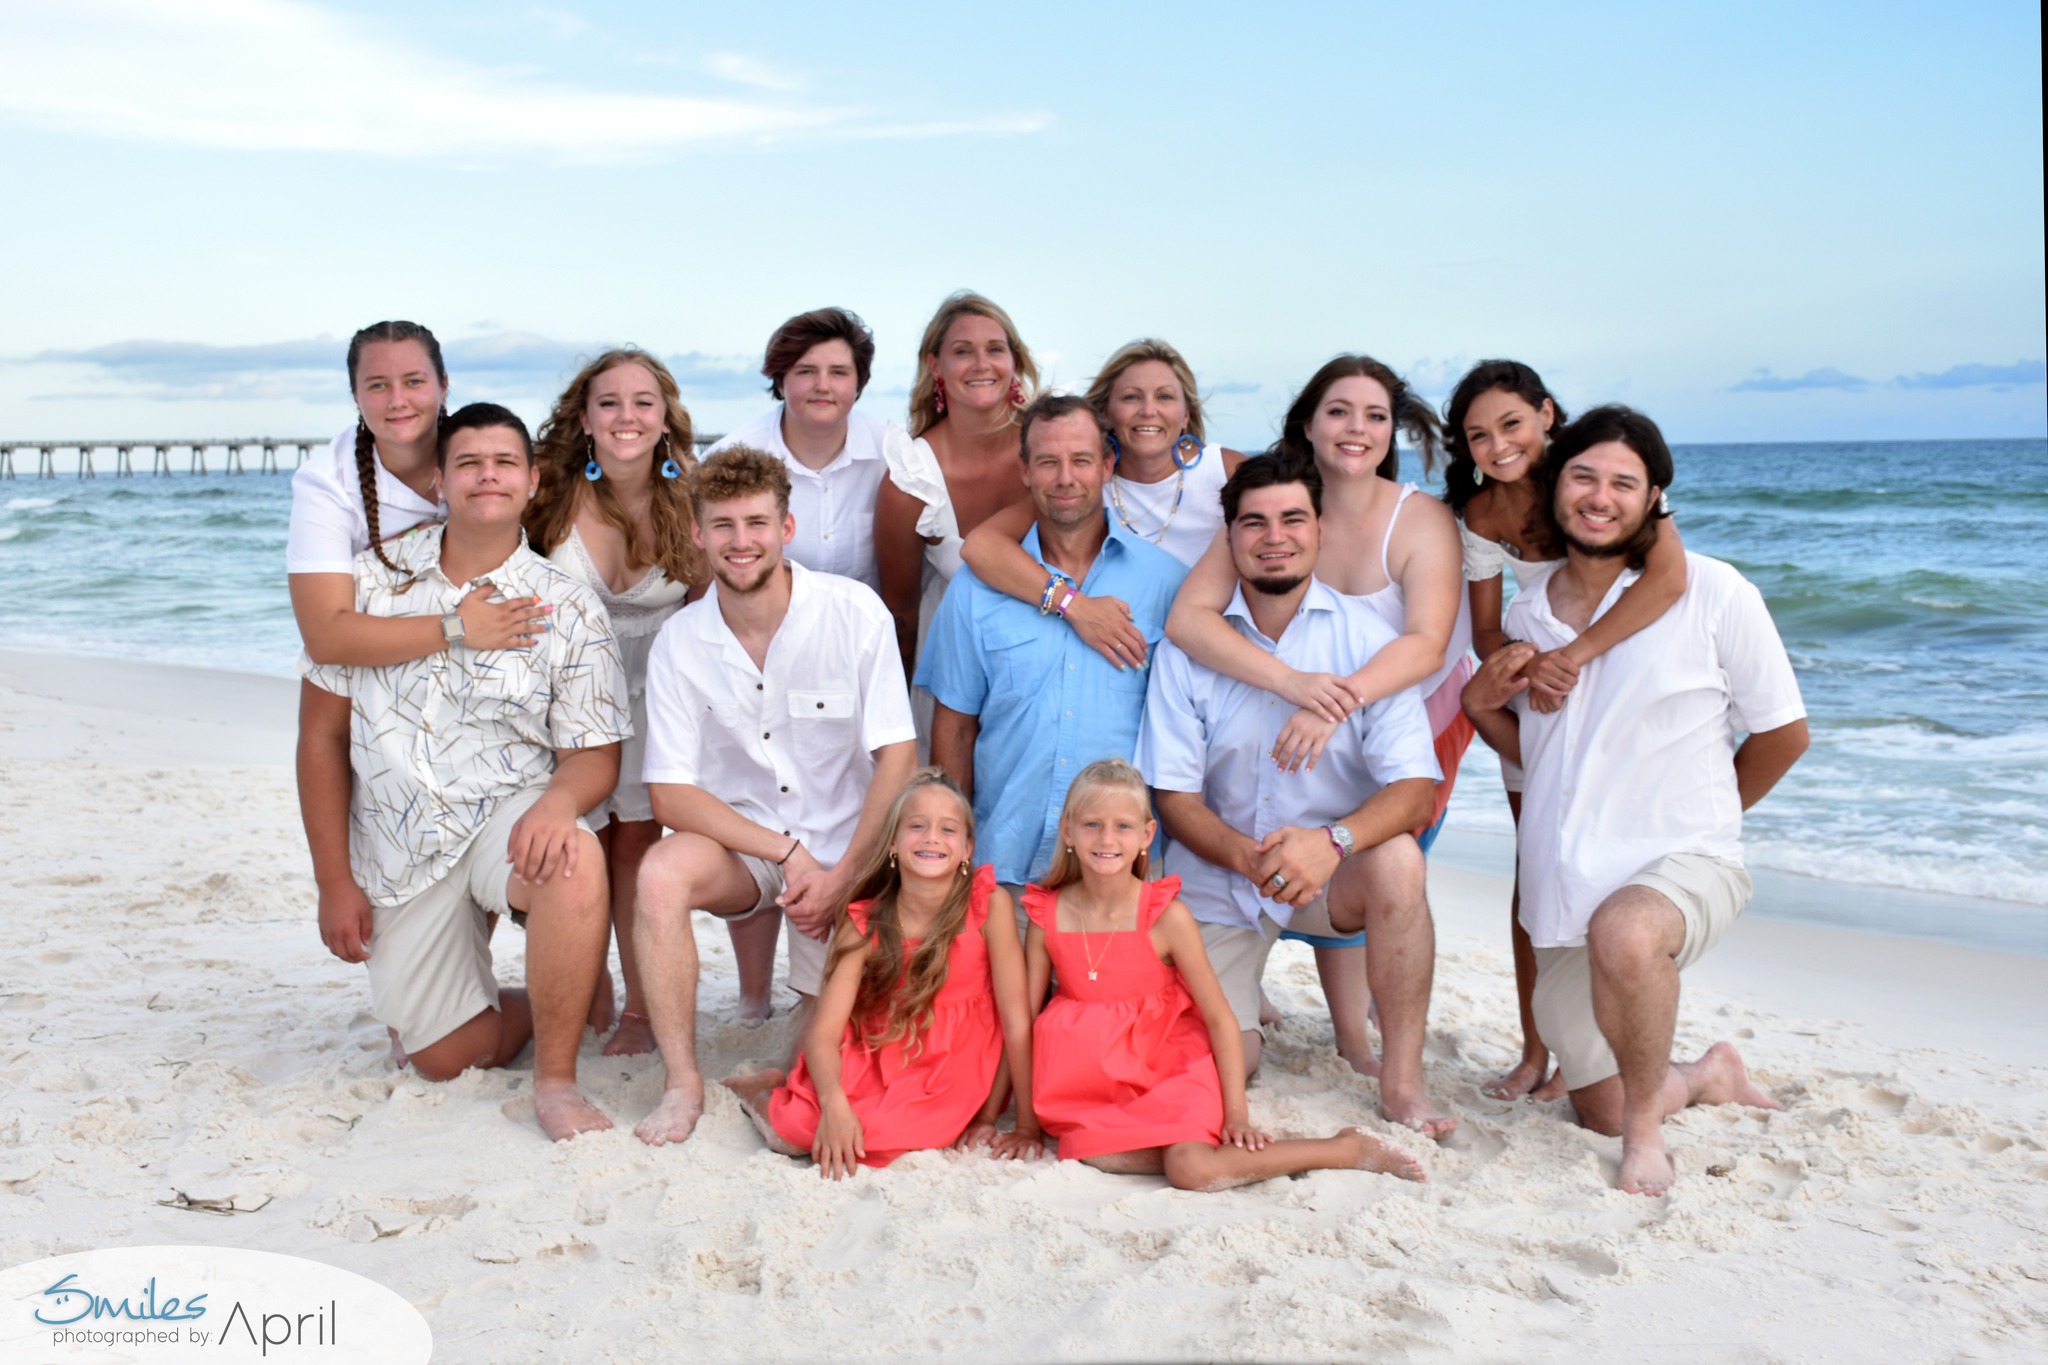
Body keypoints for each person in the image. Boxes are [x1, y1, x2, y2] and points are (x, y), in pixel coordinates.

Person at [1461, 405, 1808, 1195]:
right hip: (1571, 885)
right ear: (1556, 490)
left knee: (1627, 931)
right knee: (1603, 1105)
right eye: (1584, 476)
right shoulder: (1527, 615)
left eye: (1624, 482)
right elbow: (1539, 757)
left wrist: (1710, 819)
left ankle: (1648, 1141)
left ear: (1654, 499)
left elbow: (1784, 735)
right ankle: (1705, 1074)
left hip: (1683, 864)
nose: (1600, 496)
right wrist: (1482, 709)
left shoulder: (1714, 591)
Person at [297, 403, 627, 1141]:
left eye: (505, 462)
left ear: (533, 481)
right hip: (399, 844)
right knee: (444, 1057)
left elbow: (595, 753)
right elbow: (320, 736)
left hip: (502, 819)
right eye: (469, 463)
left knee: (573, 854)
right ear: (440, 479)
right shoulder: (370, 583)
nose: (488, 475)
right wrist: (333, 880)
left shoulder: (567, 605)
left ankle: (557, 1080)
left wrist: (557, 803)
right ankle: (547, 993)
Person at [1164, 355, 1472, 1077]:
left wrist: (1336, 703)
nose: (1356, 428)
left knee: (1386, 858)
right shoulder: (1275, 506)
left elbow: (1425, 643)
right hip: (1286, 699)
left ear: (1393, 430)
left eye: (1375, 415)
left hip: (1395, 699)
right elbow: (1190, 617)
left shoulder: (1417, 518)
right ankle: (1296, 1012)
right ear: (1308, 422)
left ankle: (1371, 1053)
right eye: (1338, 410)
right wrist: (1296, 685)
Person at [632, 445, 918, 1146]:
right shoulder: (680, 641)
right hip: (754, 849)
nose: (740, 541)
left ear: (786, 527)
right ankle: (682, 1081)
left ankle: (781, 1054)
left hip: (852, 846)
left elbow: (898, 757)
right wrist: (785, 852)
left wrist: (843, 872)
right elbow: (669, 792)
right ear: (697, 533)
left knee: (833, 1051)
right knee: (660, 873)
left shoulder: (855, 614)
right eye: (722, 525)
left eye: (756, 522)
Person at [1440, 360, 1688, 1102]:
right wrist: (1525, 667)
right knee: (1538, 875)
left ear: (1547, 413)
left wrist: (1573, 657)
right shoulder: (1481, 515)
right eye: (1478, 435)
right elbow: (1485, 629)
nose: (1497, 445)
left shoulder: (1601, 475)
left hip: (1617, 686)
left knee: (1623, 877)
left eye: (1511, 423)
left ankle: (1616, 1053)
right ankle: (1534, 1050)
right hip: (1541, 702)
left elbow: (1669, 580)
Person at [1025, 760, 1426, 1189]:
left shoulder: (1166, 916)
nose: (1107, 839)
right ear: (1068, 831)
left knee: (1192, 1169)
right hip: (1092, 1085)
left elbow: (1219, 1017)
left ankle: (1345, 1149)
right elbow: (1024, 1023)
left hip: (1171, 1070)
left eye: (1122, 826)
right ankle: (1180, 1144)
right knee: (1100, 1156)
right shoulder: (1046, 915)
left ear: (1146, 836)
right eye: (1092, 824)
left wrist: (1237, 1113)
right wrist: (1026, 1126)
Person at [917, 393, 1187, 903]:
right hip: (1005, 874)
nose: (1066, 478)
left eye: (1081, 460)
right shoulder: (976, 590)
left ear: (1107, 465)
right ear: (1024, 471)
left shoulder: (1166, 585)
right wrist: (955, 854)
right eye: (1048, 462)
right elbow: (953, 727)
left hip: (1122, 882)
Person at [724, 770, 1041, 1176]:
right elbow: (824, 1033)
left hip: (950, 1069)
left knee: (888, 1135)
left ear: (967, 849)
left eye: (948, 829)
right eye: (917, 826)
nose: (931, 837)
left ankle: (788, 1092)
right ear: (892, 843)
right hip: (875, 1052)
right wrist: (835, 1105)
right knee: (804, 1132)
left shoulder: (987, 905)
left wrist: (1016, 1122)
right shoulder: (865, 919)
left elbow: (1016, 1021)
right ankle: (761, 1092)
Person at [526, 348, 706, 1056]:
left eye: (643, 401)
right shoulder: (548, 497)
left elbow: (708, 604)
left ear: (665, 418)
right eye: (610, 402)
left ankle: (638, 1005)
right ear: (585, 417)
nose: (626, 416)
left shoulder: (692, 497)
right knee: (583, 843)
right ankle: (585, 978)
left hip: (658, 688)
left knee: (639, 840)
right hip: (569, 689)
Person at [958, 339, 1246, 668]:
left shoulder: (1226, 473)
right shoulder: (1086, 484)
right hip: (1125, 662)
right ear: (1106, 413)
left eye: (1164, 397)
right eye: (1131, 397)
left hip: (1218, 660)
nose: (1148, 410)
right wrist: (1073, 605)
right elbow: (979, 546)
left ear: (1185, 415)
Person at [288, 320, 547, 665]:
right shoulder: (328, 483)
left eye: (414, 382)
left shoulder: (486, 456)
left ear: (443, 386)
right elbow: (325, 637)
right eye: (378, 385)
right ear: (355, 395)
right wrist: (457, 628)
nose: (398, 400)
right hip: (379, 661)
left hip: (501, 643)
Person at [873, 291, 1040, 695]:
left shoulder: (1056, 453)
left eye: (995, 349)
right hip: (950, 677)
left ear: (1013, 361)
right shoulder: (911, 480)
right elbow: (901, 615)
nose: (982, 364)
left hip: (1050, 671)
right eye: (963, 351)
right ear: (935, 364)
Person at [708, 307, 906, 591]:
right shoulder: (730, 459)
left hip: (868, 630)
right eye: (806, 371)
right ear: (780, 380)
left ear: (859, 382)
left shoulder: (894, 451)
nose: (822, 386)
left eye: (839, 372)